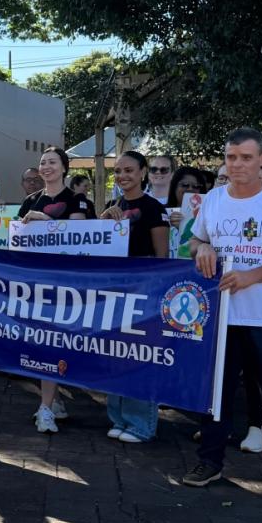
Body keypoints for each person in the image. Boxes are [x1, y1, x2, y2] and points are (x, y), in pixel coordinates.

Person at [182, 128, 262, 501]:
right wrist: (202, 247)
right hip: (221, 315)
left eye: (246, 158)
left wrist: (253, 276)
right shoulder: (214, 199)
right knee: (216, 393)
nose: (237, 165)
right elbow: (194, 240)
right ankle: (210, 461)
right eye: (231, 157)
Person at [18, 146, 91, 433]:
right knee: (42, 343)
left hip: (66, 285)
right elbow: (17, 237)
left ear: (64, 167)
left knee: (53, 343)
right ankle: (52, 401)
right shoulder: (30, 201)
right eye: (43, 162)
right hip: (35, 284)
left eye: (52, 162)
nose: (46, 167)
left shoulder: (77, 200)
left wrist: (46, 221)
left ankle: (46, 407)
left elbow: (77, 235)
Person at [99, 151, 170, 443]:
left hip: (144, 291)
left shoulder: (154, 208)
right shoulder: (111, 207)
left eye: (129, 170)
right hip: (114, 289)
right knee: (115, 354)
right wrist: (103, 220)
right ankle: (118, 418)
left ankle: (141, 423)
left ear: (142, 172)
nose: (122, 176)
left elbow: (161, 256)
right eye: (118, 171)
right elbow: (98, 247)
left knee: (139, 356)